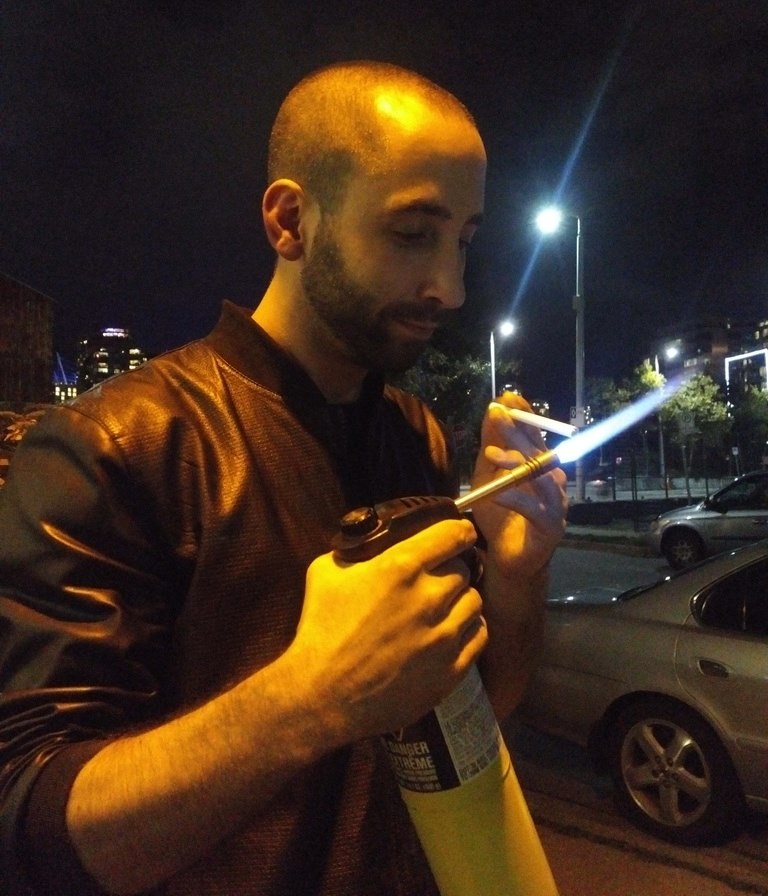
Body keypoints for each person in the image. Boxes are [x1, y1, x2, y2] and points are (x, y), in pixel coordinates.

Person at [0, 61, 567, 896]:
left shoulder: (410, 432)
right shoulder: (115, 444)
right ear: (291, 220)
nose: (449, 288)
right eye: (414, 234)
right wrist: (312, 698)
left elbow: (474, 711)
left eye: (464, 242)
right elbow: (28, 829)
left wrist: (517, 577)